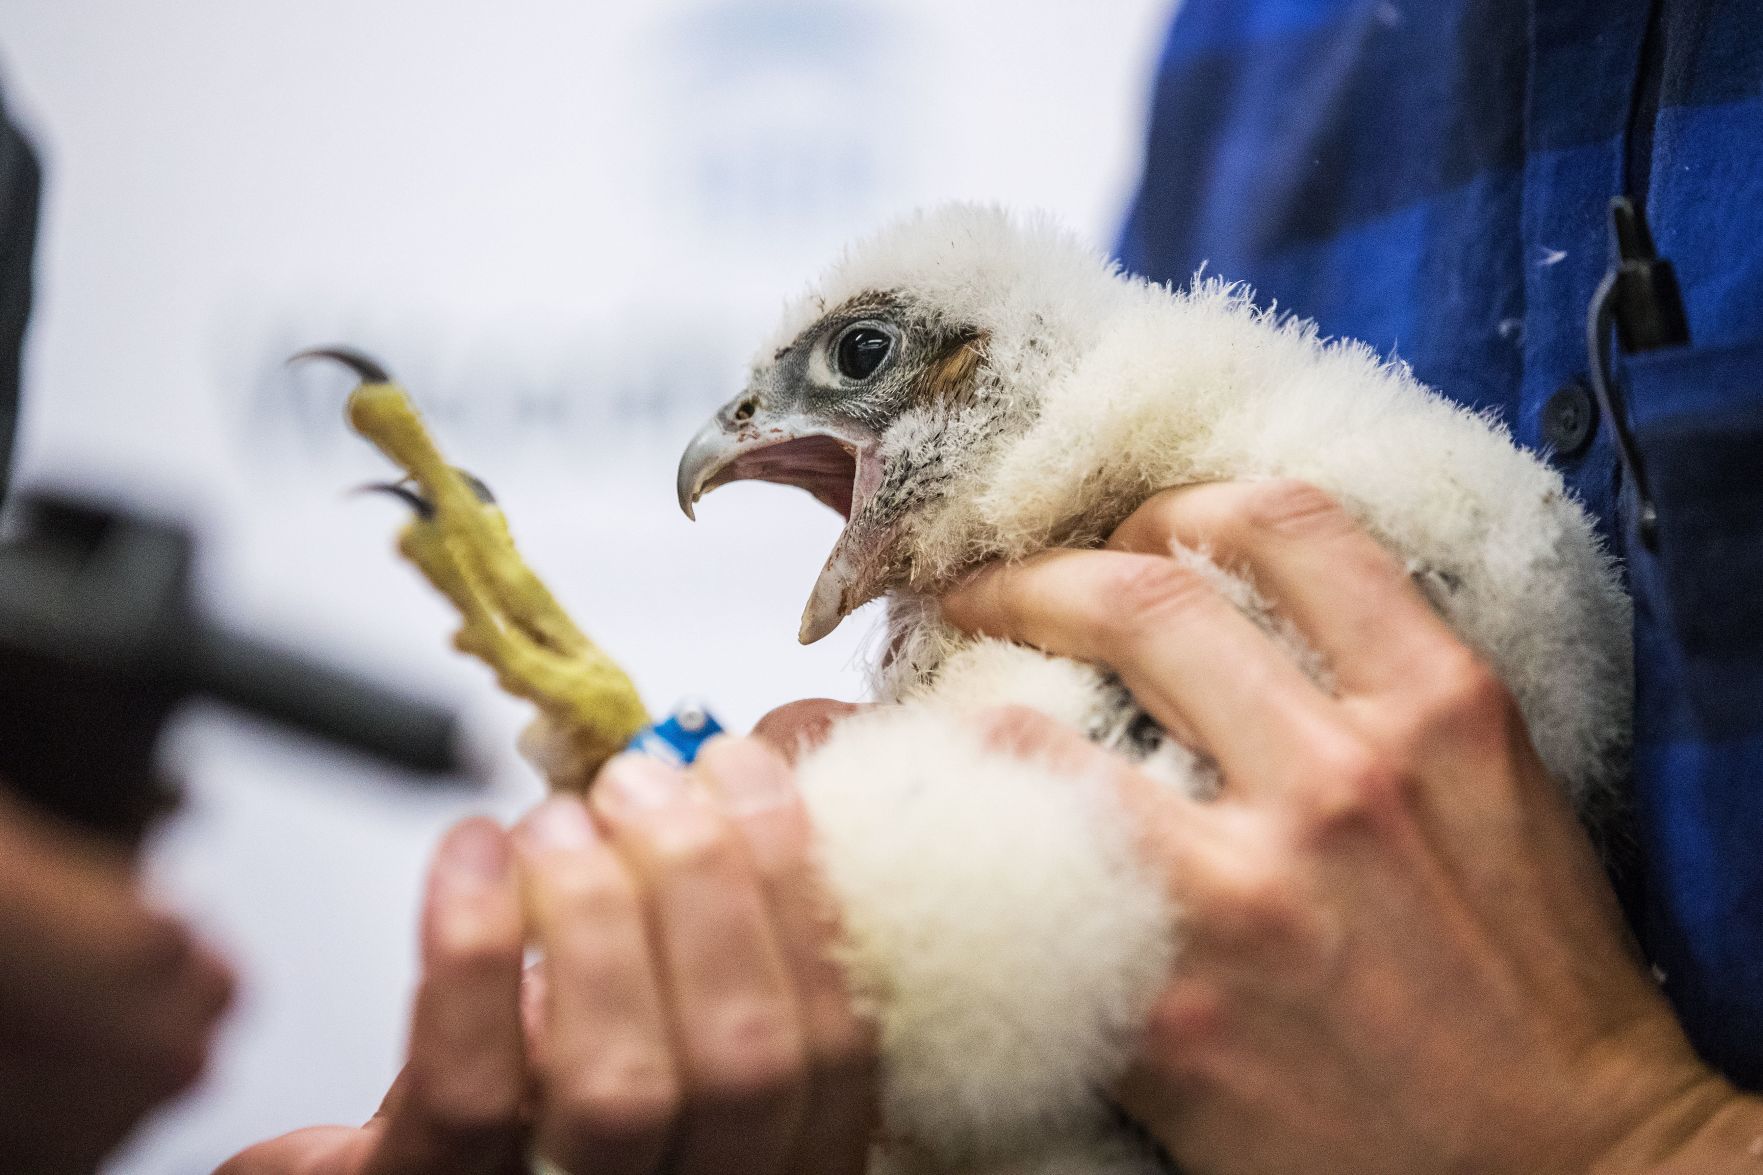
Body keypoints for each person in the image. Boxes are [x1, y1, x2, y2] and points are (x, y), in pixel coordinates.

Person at [230, 0, 1763, 1171]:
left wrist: (1631, 1141)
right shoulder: (1256, 50)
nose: (729, 446)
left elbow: (1049, 915)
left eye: (854, 367)